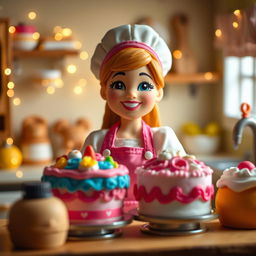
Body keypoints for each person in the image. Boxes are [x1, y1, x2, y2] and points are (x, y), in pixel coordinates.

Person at [82, 24, 185, 208]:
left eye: (144, 86)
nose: (131, 94)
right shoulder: (96, 141)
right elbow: (82, 185)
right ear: (104, 91)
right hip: (107, 222)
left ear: (159, 93)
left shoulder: (163, 138)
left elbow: (184, 179)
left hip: (154, 220)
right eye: (119, 85)